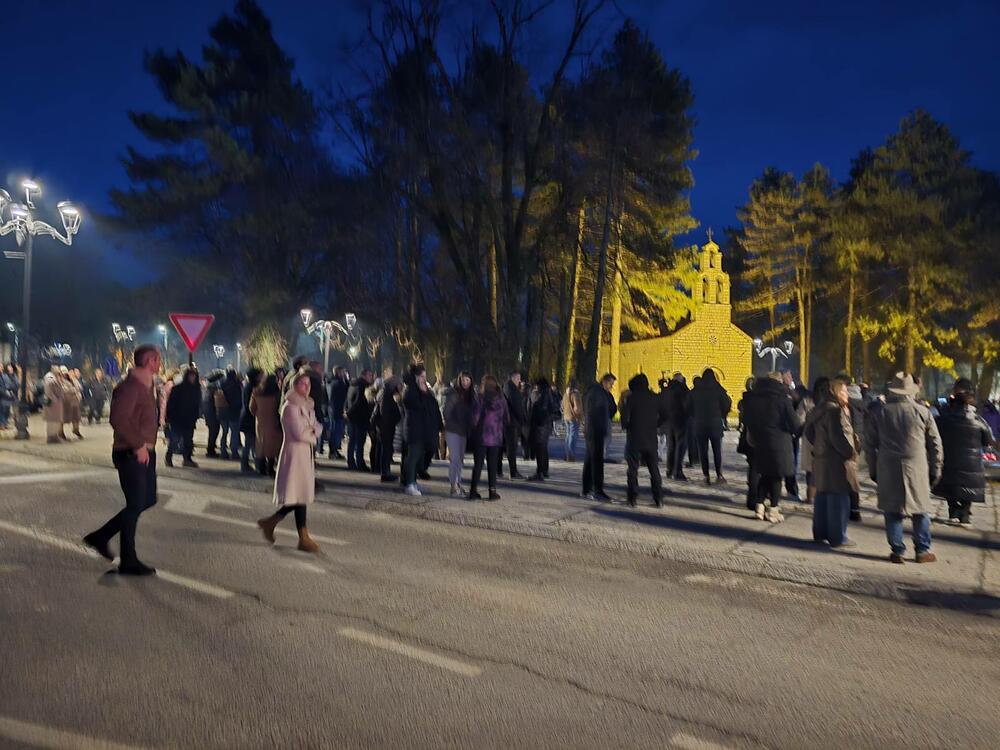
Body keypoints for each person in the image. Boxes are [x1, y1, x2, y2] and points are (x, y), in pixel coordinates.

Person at [83, 345, 162, 576]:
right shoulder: (131, 387)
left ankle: (101, 536)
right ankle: (128, 559)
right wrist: (138, 445)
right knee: (137, 503)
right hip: (131, 452)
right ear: (150, 361)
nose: (160, 364)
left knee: (147, 500)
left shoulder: (147, 386)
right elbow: (118, 418)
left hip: (144, 451)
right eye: (158, 360)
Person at [866, 372, 944, 564]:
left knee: (892, 510)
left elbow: (869, 444)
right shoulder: (923, 412)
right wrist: (936, 468)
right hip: (916, 465)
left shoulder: (880, 412)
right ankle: (922, 550)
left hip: (888, 465)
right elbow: (935, 444)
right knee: (921, 509)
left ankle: (898, 550)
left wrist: (873, 468)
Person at [256, 368, 323, 552]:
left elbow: (317, 426)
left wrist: (313, 431)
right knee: (298, 495)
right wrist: (313, 435)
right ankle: (302, 537)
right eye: (302, 383)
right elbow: (299, 433)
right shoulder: (290, 407)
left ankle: (273, 523)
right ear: (294, 385)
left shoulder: (308, 405)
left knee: (299, 495)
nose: (306, 387)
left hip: (305, 455)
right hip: (294, 455)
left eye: (309, 384)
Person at [806, 377, 859, 548]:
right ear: (835, 392)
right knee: (839, 499)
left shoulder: (819, 409)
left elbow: (809, 432)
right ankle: (838, 536)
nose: (847, 395)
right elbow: (838, 437)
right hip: (837, 462)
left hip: (821, 459)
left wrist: (819, 446)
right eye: (843, 392)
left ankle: (820, 533)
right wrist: (850, 452)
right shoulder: (835, 411)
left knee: (822, 496)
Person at [742, 372, 801, 523]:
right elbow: (794, 424)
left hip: (759, 441)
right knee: (776, 476)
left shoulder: (755, 398)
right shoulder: (782, 400)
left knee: (765, 474)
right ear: (779, 382)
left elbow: (747, 419)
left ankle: (759, 507)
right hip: (779, 442)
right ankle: (773, 510)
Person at [935, 387, 993, 529]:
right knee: (969, 487)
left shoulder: (943, 418)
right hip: (972, 463)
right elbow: (988, 440)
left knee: (950, 486)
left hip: (949, 460)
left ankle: (953, 512)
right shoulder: (979, 420)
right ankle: (965, 515)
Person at [620, 373, 669, 508]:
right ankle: (658, 498)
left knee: (633, 469)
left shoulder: (631, 398)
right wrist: (656, 424)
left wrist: (628, 426)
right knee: (654, 469)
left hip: (634, 438)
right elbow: (665, 414)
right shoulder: (655, 398)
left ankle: (632, 498)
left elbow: (624, 418)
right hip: (650, 439)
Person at [400, 363, 440, 496]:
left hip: (424, 430)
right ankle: (409, 484)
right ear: (416, 377)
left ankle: (414, 482)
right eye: (421, 376)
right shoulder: (410, 390)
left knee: (419, 458)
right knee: (413, 457)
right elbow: (415, 405)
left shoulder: (423, 390)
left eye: (424, 376)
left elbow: (431, 406)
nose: (424, 379)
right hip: (414, 430)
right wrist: (423, 393)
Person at [688, 369, 732, 485]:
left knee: (703, 451)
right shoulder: (718, 389)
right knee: (717, 450)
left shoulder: (695, 390)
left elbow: (687, 405)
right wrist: (722, 413)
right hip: (715, 423)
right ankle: (719, 475)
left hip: (700, 424)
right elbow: (727, 403)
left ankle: (706, 475)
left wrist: (695, 415)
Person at [469, 374, 509, 501]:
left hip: (481, 436)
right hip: (496, 437)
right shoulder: (501, 399)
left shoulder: (480, 398)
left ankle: (473, 491)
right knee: (492, 465)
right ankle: (492, 492)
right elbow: (506, 418)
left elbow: (474, 419)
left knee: (478, 465)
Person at [582, 373, 617, 501]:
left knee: (590, 459)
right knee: (596, 460)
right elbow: (601, 411)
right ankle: (597, 489)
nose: (611, 387)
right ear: (604, 382)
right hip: (595, 430)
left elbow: (612, 409)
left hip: (593, 430)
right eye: (610, 384)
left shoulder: (598, 392)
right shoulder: (598, 393)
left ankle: (587, 489)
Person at [442, 372, 475, 496]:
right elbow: (446, 412)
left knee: (460, 459)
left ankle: (458, 483)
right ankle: (453, 485)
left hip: (464, 431)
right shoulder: (454, 395)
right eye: (463, 380)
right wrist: (455, 421)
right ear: (459, 381)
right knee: (454, 458)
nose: (465, 382)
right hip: (453, 429)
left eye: (468, 380)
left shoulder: (471, 396)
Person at [164, 367, 202, 468]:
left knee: (188, 440)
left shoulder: (196, 389)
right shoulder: (178, 388)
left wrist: (196, 415)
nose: (192, 378)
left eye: (194, 376)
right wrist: (169, 418)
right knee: (174, 440)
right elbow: (171, 404)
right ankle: (168, 457)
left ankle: (187, 459)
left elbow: (197, 404)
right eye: (191, 376)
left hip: (189, 419)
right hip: (178, 419)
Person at [527, 377, 559, 481]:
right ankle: (544, 471)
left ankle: (540, 472)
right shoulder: (549, 393)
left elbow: (537, 408)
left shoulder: (540, 394)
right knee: (543, 449)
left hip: (540, 425)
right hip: (546, 425)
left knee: (540, 450)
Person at [250, 374, 282, 476]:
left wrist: (257, 414)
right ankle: (270, 468)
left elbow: (251, 407)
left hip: (260, 421)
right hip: (273, 421)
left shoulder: (256, 391)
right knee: (272, 445)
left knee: (261, 443)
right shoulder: (277, 393)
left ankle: (261, 467)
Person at [373, 376, 402, 482]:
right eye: (399, 384)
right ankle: (385, 473)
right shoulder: (387, 394)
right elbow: (385, 411)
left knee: (384, 449)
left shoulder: (385, 392)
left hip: (385, 426)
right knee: (386, 450)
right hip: (386, 427)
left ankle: (384, 471)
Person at [736, 377, 759, 510]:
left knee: (752, 466)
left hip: (748, 434)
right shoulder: (758, 400)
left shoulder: (744, 399)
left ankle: (751, 494)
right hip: (758, 435)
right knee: (757, 468)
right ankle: (756, 496)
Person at [662, 373, 690, 480]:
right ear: (681, 380)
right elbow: (687, 404)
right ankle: (677, 471)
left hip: (669, 422)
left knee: (671, 446)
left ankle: (669, 469)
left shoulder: (667, 390)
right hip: (681, 420)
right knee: (680, 446)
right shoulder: (683, 390)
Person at [345, 369, 375, 470]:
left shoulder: (352, 385)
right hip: (360, 417)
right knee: (359, 442)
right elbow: (359, 402)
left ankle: (351, 462)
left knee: (352, 441)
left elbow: (348, 400)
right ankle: (360, 463)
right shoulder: (363, 386)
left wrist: (347, 412)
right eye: (370, 375)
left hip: (352, 417)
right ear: (364, 376)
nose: (371, 378)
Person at [502, 371, 527, 479]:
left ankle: (507, 470)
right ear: (513, 378)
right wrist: (522, 419)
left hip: (511, 421)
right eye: (518, 378)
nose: (519, 381)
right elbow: (516, 405)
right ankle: (513, 472)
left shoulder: (510, 387)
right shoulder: (510, 387)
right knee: (511, 447)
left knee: (509, 446)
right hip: (511, 422)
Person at [240, 367, 263, 473]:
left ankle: (254, 463)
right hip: (250, 419)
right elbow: (251, 405)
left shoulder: (248, 386)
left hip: (247, 418)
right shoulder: (253, 388)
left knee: (251, 443)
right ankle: (246, 464)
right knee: (250, 442)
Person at [221, 367, 243, 460]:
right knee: (234, 432)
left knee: (224, 432)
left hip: (224, 411)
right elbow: (239, 399)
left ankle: (223, 451)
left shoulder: (223, 384)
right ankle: (234, 452)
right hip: (234, 412)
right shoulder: (237, 384)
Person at [329, 366, 349, 459]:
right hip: (337, 411)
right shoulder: (338, 383)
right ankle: (333, 451)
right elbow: (346, 391)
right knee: (336, 432)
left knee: (336, 431)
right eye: (343, 372)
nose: (344, 374)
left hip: (335, 410)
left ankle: (334, 451)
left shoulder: (334, 382)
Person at [43, 366, 66, 443]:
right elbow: (49, 392)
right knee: (52, 421)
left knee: (56, 421)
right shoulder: (50, 378)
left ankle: (55, 436)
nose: (60, 372)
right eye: (58, 371)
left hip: (56, 404)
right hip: (52, 404)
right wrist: (55, 400)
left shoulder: (56, 378)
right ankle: (51, 437)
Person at [204, 370, 224, 457]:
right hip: (212, 414)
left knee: (213, 432)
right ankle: (210, 450)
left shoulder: (208, 389)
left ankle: (211, 449)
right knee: (214, 431)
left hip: (209, 414)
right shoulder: (214, 390)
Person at [562, 380, 583, 462]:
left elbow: (562, 405)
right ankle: (571, 454)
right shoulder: (575, 394)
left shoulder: (565, 394)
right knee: (573, 436)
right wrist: (580, 416)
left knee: (568, 435)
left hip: (566, 417)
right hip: (574, 417)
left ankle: (566, 453)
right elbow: (577, 408)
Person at [63, 367, 84, 439]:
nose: (72, 374)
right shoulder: (64, 380)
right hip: (67, 402)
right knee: (64, 418)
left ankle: (76, 430)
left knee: (76, 417)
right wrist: (75, 390)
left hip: (75, 402)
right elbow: (66, 389)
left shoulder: (74, 380)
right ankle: (60, 432)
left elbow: (80, 387)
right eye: (70, 372)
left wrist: (75, 388)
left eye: (73, 373)